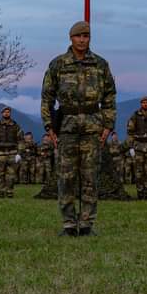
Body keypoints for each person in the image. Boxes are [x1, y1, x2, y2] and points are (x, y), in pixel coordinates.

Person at [41, 20, 116, 237]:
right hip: (67, 126)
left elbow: (110, 96)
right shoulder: (58, 65)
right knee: (66, 177)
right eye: (78, 36)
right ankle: (68, 224)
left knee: (90, 177)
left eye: (86, 36)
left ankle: (86, 224)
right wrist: (49, 126)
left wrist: (108, 124)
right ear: (71, 38)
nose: (82, 40)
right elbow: (47, 98)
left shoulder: (100, 65)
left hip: (93, 127)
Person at [0, 106, 24, 198]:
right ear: (1, 113)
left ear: (10, 113)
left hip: (12, 153)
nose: (6, 113)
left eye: (8, 112)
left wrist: (19, 153)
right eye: (5, 112)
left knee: (11, 175)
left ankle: (9, 192)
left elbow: (20, 140)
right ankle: (0, 192)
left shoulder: (16, 125)